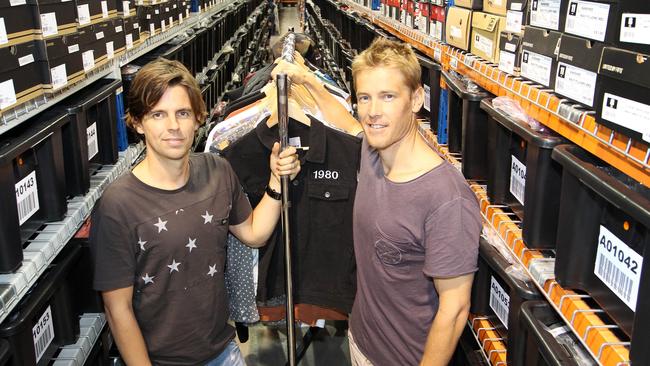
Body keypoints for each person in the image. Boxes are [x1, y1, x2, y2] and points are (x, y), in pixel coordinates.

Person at [272, 38, 482, 365]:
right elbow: (349, 123)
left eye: (387, 97)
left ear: (416, 99)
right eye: (365, 97)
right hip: (361, 339)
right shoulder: (373, 155)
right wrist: (310, 82)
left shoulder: (446, 198)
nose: (373, 112)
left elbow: (454, 310)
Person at [90, 58, 300, 366]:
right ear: (137, 122)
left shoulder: (217, 170)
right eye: (157, 115)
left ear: (198, 118)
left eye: (183, 113)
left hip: (222, 351)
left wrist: (276, 181)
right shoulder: (117, 205)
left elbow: (254, 234)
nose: (173, 126)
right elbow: (117, 309)